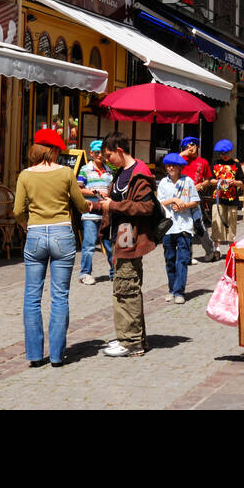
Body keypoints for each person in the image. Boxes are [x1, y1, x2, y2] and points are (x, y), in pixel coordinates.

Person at [14, 128, 88, 368]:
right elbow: (80, 204)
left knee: (32, 298)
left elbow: (17, 211)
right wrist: (91, 204)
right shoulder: (66, 173)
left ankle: (35, 356)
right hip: (62, 234)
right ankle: (56, 356)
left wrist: (27, 225)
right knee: (59, 297)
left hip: (35, 234)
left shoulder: (25, 175)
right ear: (53, 150)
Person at [98, 131, 158, 357]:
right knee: (122, 288)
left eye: (109, 155)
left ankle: (131, 343)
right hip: (121, 236)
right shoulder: (122, 172)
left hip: (130, 238)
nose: (106, 160)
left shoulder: (139, 175)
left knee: (127, 288)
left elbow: (146, 208)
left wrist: (112, 206)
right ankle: (128, 336)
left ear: (120, 151)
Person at [157, 153, 200, 303]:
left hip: (185, 226)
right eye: (168, 165)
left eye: (173, 165)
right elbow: (159, 202)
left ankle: (179, 291)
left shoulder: (188, 181)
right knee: (170, 259)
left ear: (179, 167)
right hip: (168, 227)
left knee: (182, 260)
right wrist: (174, 200)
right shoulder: (163, 182)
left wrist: (184, 206)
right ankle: (171, 289)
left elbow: (195, 201)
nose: (170, 167)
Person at [76, 139, 115, 284]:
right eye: (97, 152)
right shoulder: (85, 169)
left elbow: (111, 188)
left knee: (109, 245)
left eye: (102, 153)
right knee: (89, 245)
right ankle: (85, 273)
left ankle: (114, 272)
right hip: (90, 213)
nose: (100, 155)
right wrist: (95, 193)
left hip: (106, 212)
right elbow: (78, 189)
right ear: (91, 153)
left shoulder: (109, 170)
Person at [180, 135, 215, 262]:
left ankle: (210, 251)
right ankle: (187, 256)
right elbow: (170, 163)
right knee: (184, 226)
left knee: (198, 223)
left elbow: (208, 179)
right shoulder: (181, 159)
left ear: (197, 146)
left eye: (192, 145)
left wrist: (202, 185)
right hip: (181, 196)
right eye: (187, 146)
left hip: (195, 195)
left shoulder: (203, 162)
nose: (190, 148)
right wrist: (183, 153)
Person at [206, 139, 244, 257]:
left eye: (226, 153)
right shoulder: (215, 163)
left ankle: (231, 248)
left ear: (231, 152)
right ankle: (216, 249)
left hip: (232, 199)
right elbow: (209, 180)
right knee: (217, 223)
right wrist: (219, 181)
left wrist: (233, 181)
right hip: (218, 199)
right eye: (222, 154)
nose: (224, 156)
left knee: (231, 223)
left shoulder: (236, 164)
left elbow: (242, 182)